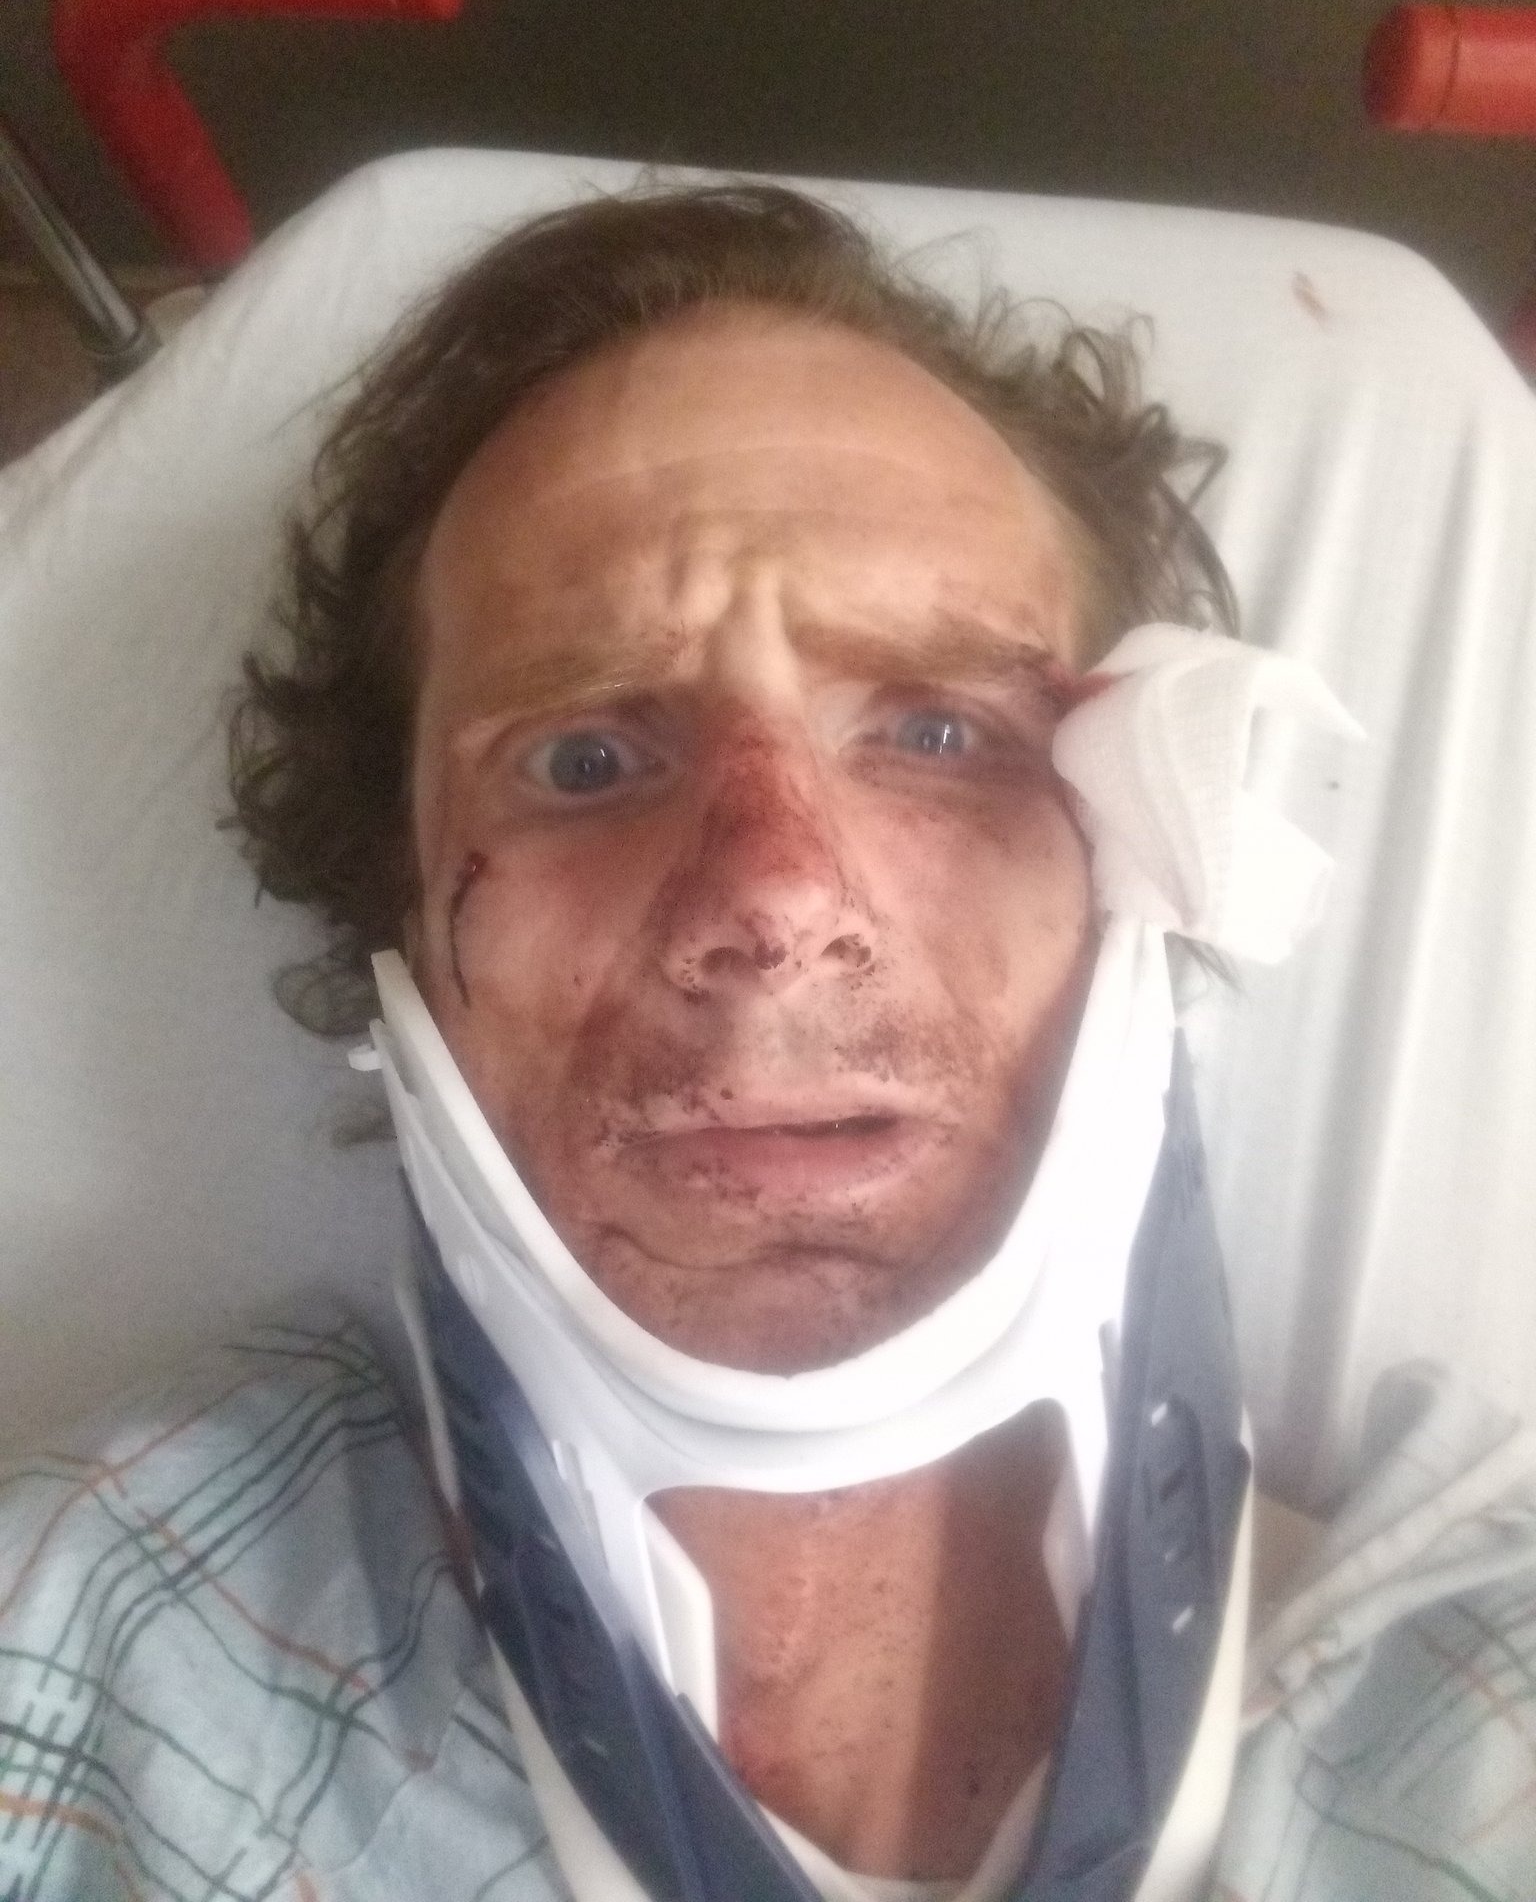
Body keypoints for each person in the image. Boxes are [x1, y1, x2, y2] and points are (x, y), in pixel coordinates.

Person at [228, 181, 1245, 1899]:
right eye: (582, 760)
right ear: (395, 916)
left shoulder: (1465, 1694)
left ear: (1145, 860)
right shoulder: (75, 1660)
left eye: (940, 732)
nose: (777, 900)